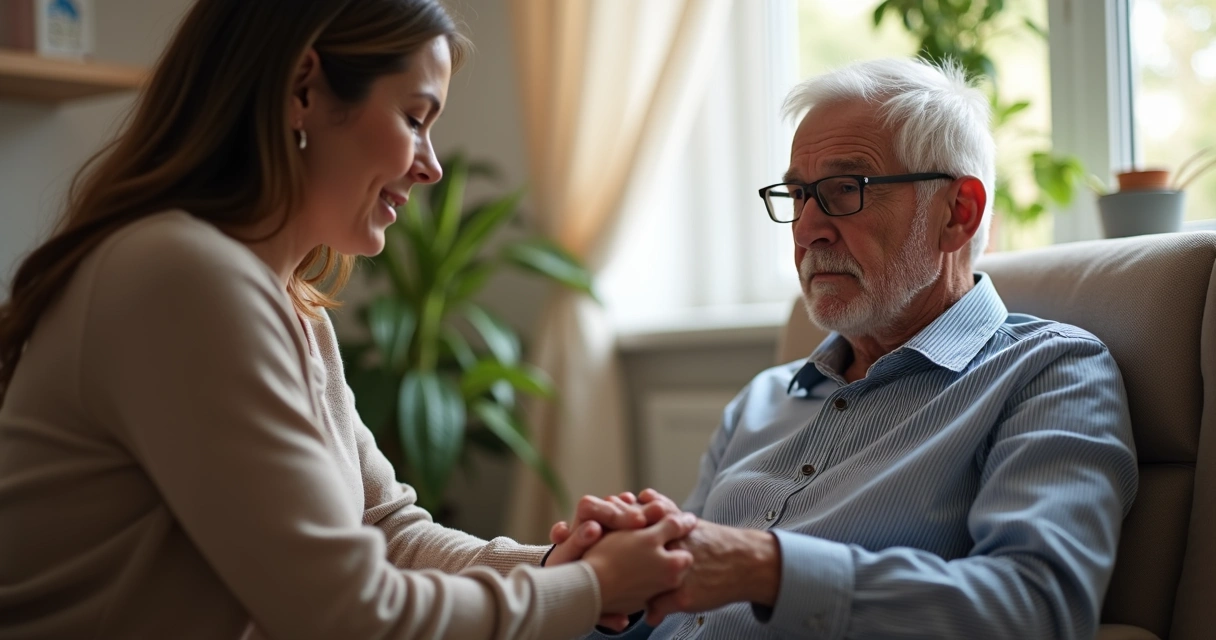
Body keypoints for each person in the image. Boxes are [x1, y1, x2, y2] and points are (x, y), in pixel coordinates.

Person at [0, 1, 698, 638]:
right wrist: (594, 584)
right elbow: (351, 615)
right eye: (415, 118)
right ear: (303, 89)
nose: (430, 168)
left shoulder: (290, 308)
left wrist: (554, 564)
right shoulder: (180, 277)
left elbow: (387, 528)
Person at [559, 58, 1139, 640]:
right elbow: (680, 608)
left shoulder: (1048, 373)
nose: (807, 228)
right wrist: (597, 587)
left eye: (845, 190)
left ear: (957, 213)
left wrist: (764, 569)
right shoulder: (763, 398)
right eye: (798, 194)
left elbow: (1037, 610)